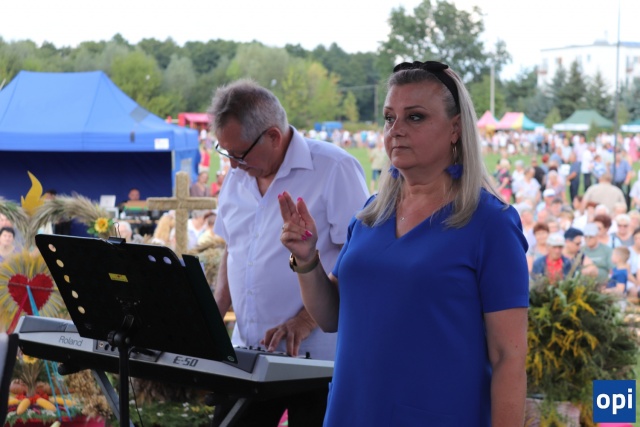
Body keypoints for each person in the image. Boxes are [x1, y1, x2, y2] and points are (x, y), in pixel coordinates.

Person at [278, 60, 528, 426]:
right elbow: (331, 317)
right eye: (389, 118)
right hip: (351, 413)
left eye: (415, 117)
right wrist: (306, 260)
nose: (396, 130)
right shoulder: (370, 215)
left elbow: (509, 357)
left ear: (455, 128)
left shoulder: (491, 223)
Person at [209, 79, 369, 427]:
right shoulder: (237, 177)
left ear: (273, 136)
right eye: (226, 153)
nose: (233, 165)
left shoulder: (335, 169)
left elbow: (360, 256)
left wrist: (305, 319)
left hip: (317, 361)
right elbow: (233, 250)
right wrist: (212, 314)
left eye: (239, 154)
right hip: (247, 354)